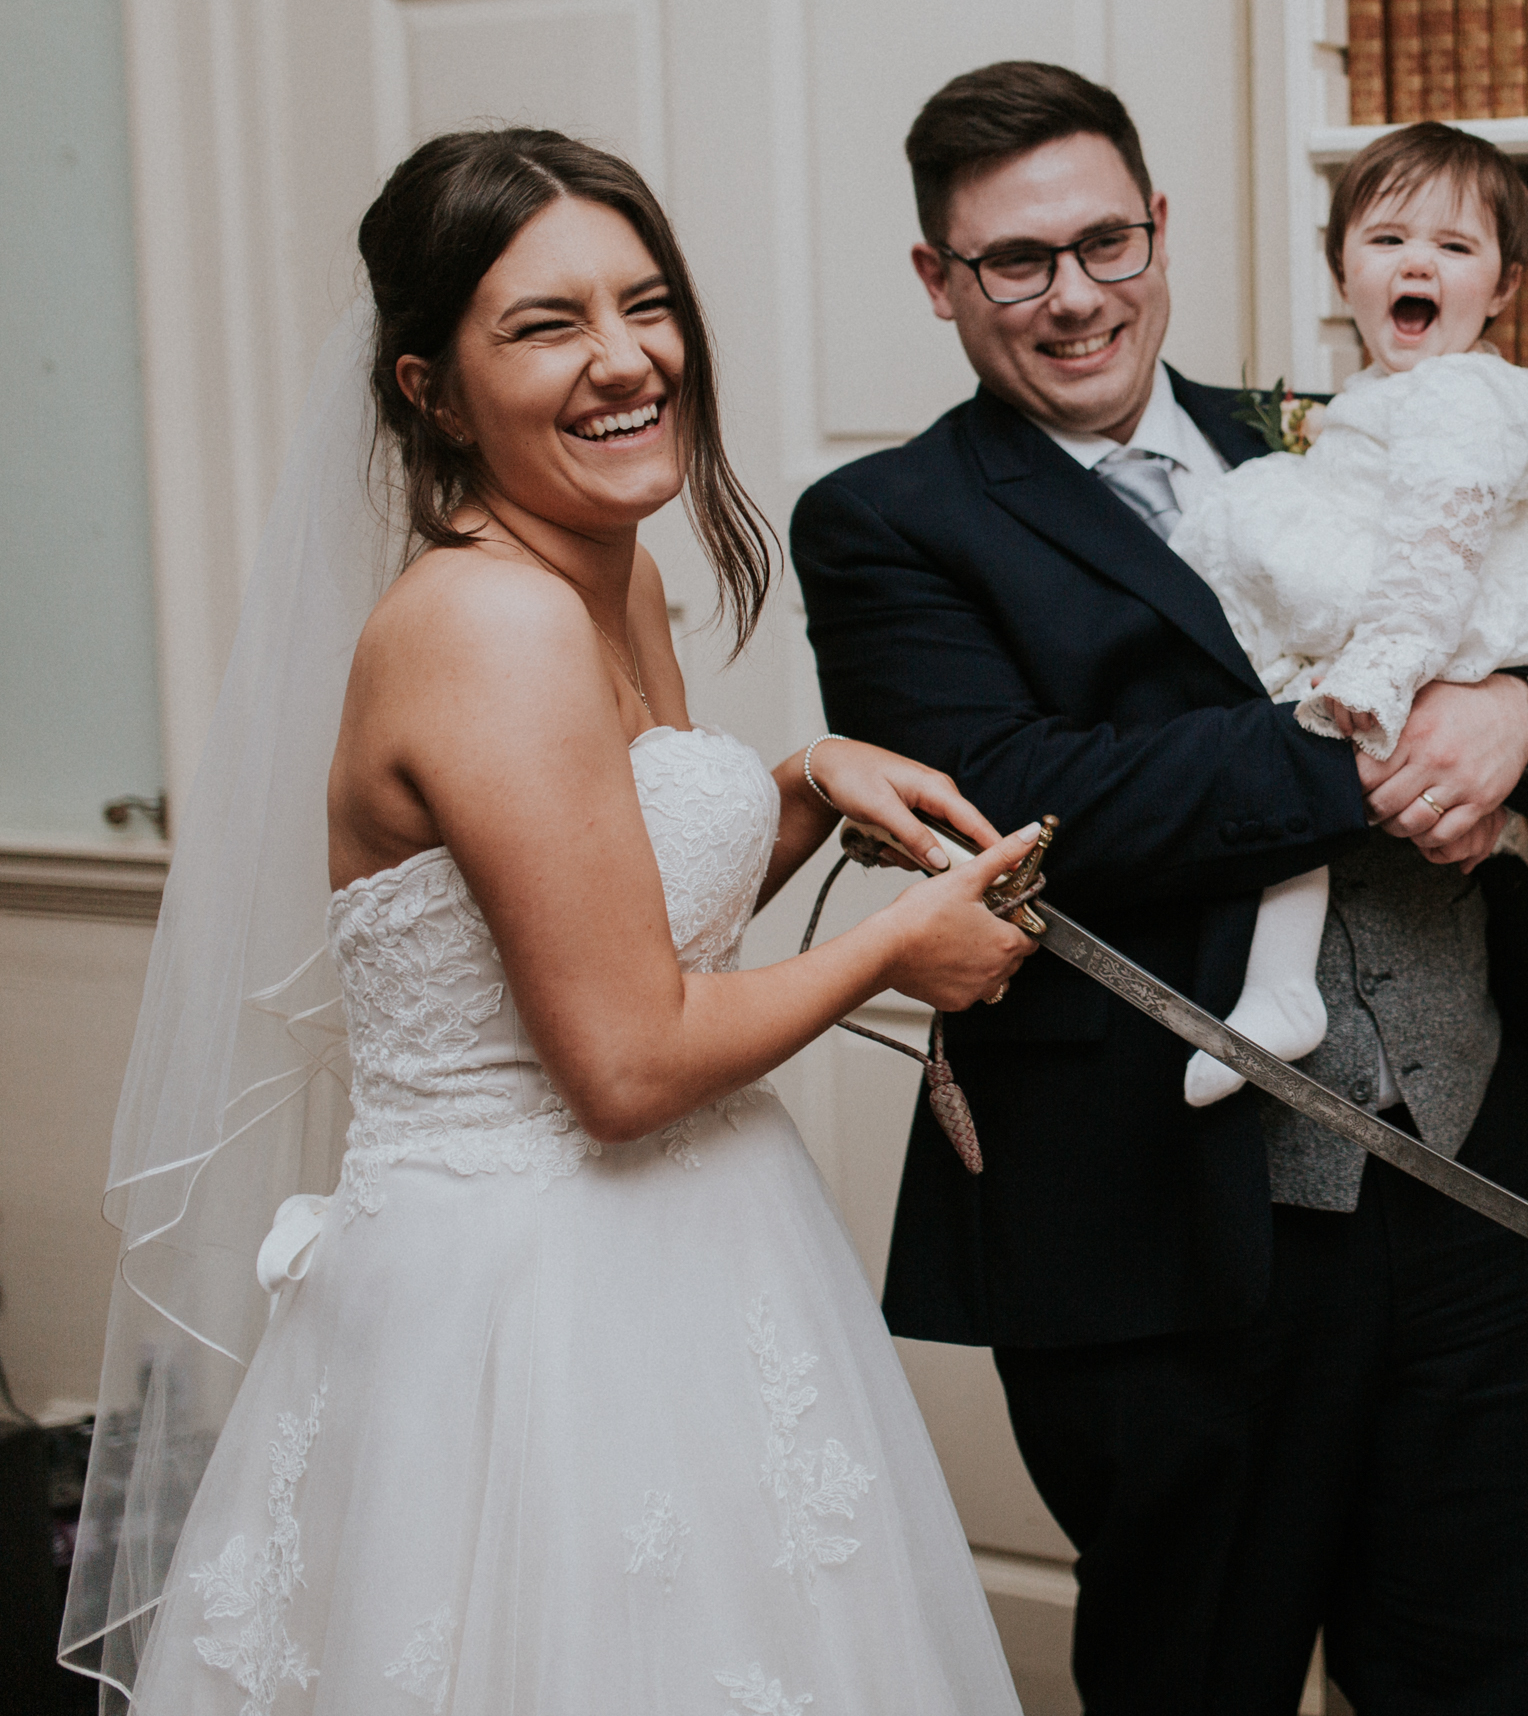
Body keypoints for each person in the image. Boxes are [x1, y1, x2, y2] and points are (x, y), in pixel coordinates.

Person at [65, 129, 1037, 1714]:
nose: (626, 360)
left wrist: (806, 783)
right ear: (428, 391)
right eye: (544, 324)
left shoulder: (609, 574)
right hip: (526, 1315)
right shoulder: (487, 620)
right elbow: (627, 1060)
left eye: (644, 304)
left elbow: (622, 907)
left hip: (695, 1255)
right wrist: (896, 945)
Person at [790, 62, 1528, 1714]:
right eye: (1015, 263)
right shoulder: (888, 523)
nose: (1076, 296)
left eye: (1107, 242)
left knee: (1489, 1672)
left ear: (1163, 228)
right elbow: (1039, 798)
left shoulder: (1357, 413)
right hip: (1164, 1240)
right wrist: (1398, 753)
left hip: (1480, 1182)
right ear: (937, 282)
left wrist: (1520, 711)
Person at [1171, 119, 1528, 1104]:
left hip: (1444, 612)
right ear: (1341, 269)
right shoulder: (1352, 407)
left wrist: (1379, 668)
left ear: (1501, 288)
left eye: (1455, 247)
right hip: (1412, 611)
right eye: (1388, 239)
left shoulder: (1466, 395)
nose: (1419, 260)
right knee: (1345, 784)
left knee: (1320, 766)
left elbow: (1437, 541)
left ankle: (1282, 986)